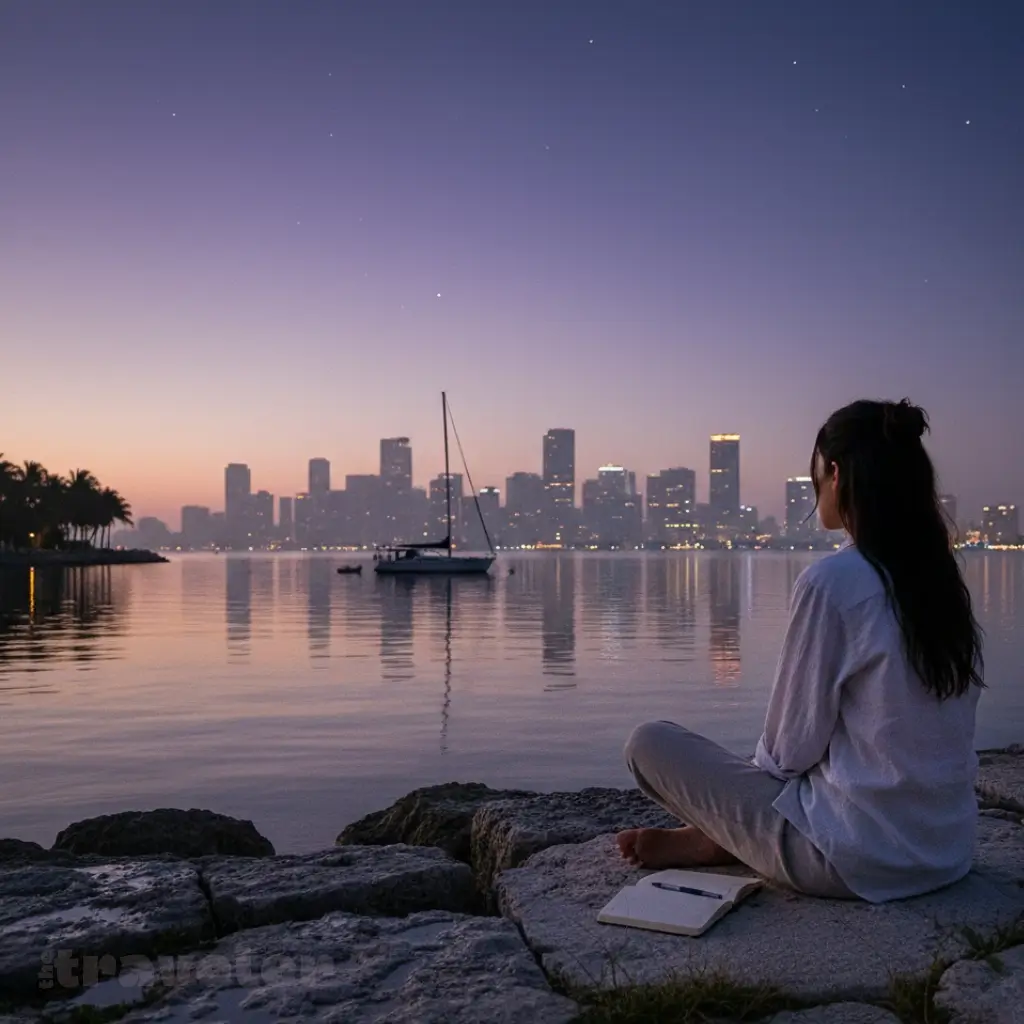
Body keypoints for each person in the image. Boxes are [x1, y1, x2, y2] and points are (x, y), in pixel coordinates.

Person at [617, 399, 985, 903]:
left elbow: (789, 753)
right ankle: (726, 835)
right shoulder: (941, 581)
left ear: (836, 474)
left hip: (851, 860)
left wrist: (742, 789)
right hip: (946, 852)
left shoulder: (833, 582)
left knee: (648, 743)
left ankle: (721, 838)